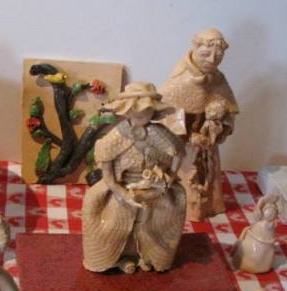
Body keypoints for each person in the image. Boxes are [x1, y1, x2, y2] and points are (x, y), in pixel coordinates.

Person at [82, 82, 185, 273]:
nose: (140, 115)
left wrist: (170, 177)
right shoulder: (116, 136)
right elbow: (108, 175)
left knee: (158, 222)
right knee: (112, 225)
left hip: (155, 189)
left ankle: (146, 257)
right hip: (121, 189)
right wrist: (123, 193)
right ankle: (117, 258)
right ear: (125, 111)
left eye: (146, 111)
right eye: (134, 110)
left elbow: (178, 152)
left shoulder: (160, 134)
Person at [161, 28, 239, 220]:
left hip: (208, 142)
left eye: (218, 56)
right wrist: (187, 135)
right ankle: (183, 207)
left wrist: (219, 124)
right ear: (196, 48)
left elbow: (230, 109)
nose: (212, 60)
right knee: (186, 176)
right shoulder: (180, 79)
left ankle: (208, 206)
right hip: (185, 144)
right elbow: (166, 112)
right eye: (206, 54)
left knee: (209, 174)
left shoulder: (218, 79)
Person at [233, 194, 279, 274]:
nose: (270, 215)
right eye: (269, 213)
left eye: (272, 214)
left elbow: (255, 233)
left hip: (259, 246)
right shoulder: (268, 225)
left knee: (247, 247)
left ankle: (249, 264)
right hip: (261, 246)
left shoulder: (266, 225)